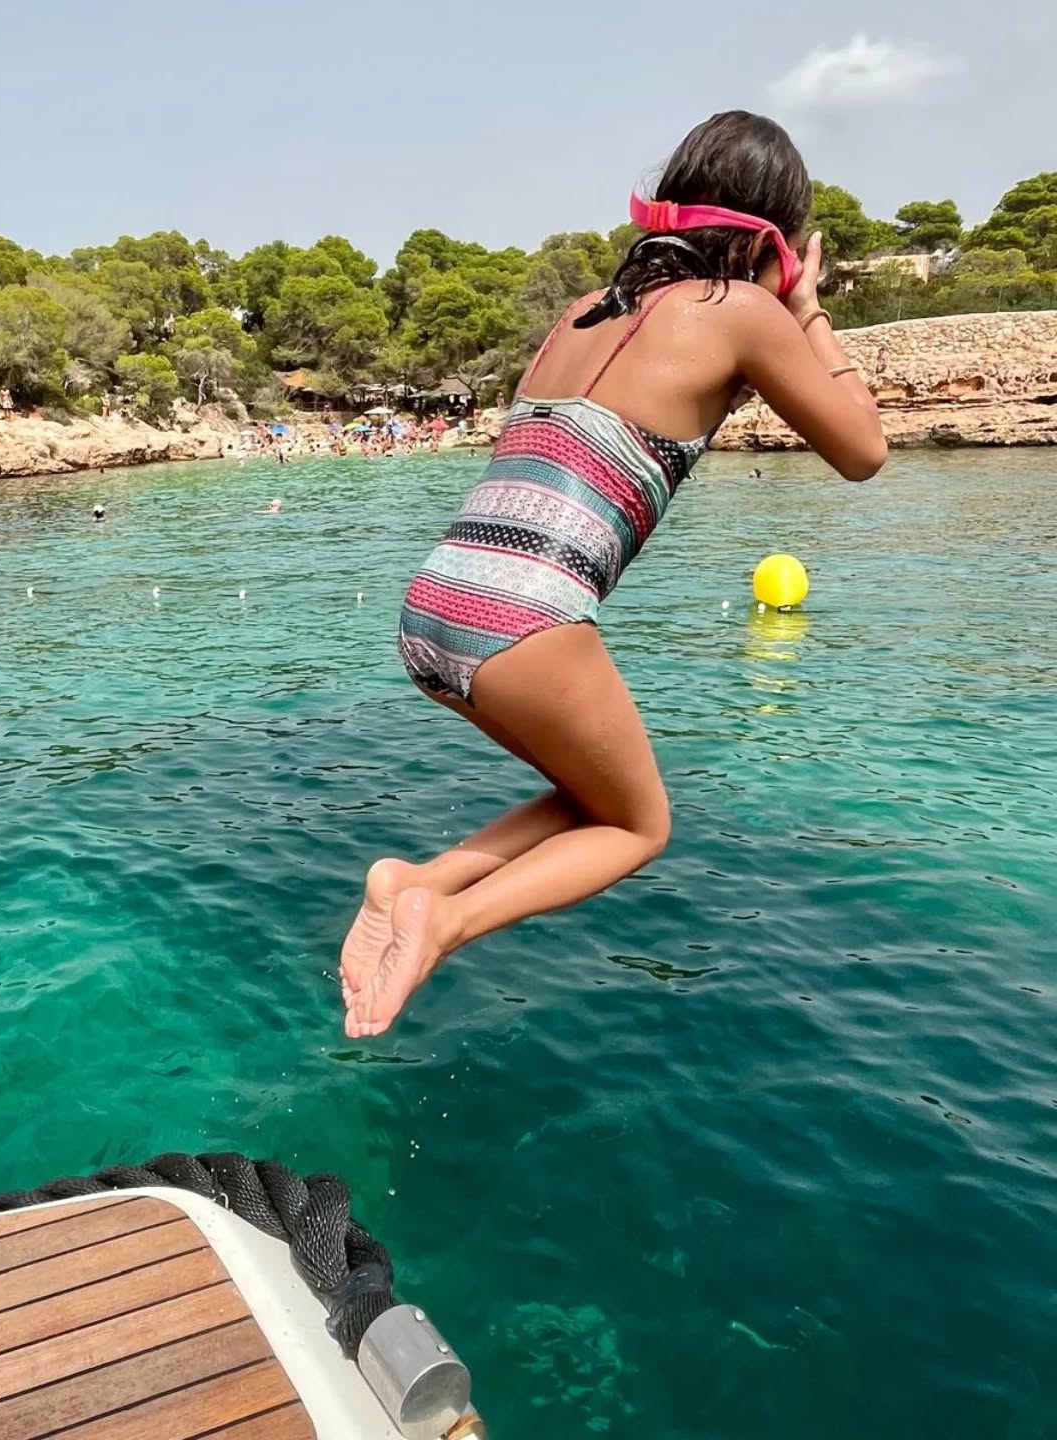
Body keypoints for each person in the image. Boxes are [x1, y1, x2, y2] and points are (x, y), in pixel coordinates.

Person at [340, 110, 886, 1040]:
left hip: (433, 606)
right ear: (782, 237)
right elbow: (864, 449)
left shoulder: (584, 311)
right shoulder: (743, 311)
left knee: (592, 802)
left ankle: (418, 880)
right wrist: (805, 306)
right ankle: (447, 920)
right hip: (528, 614)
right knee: (640, 828)